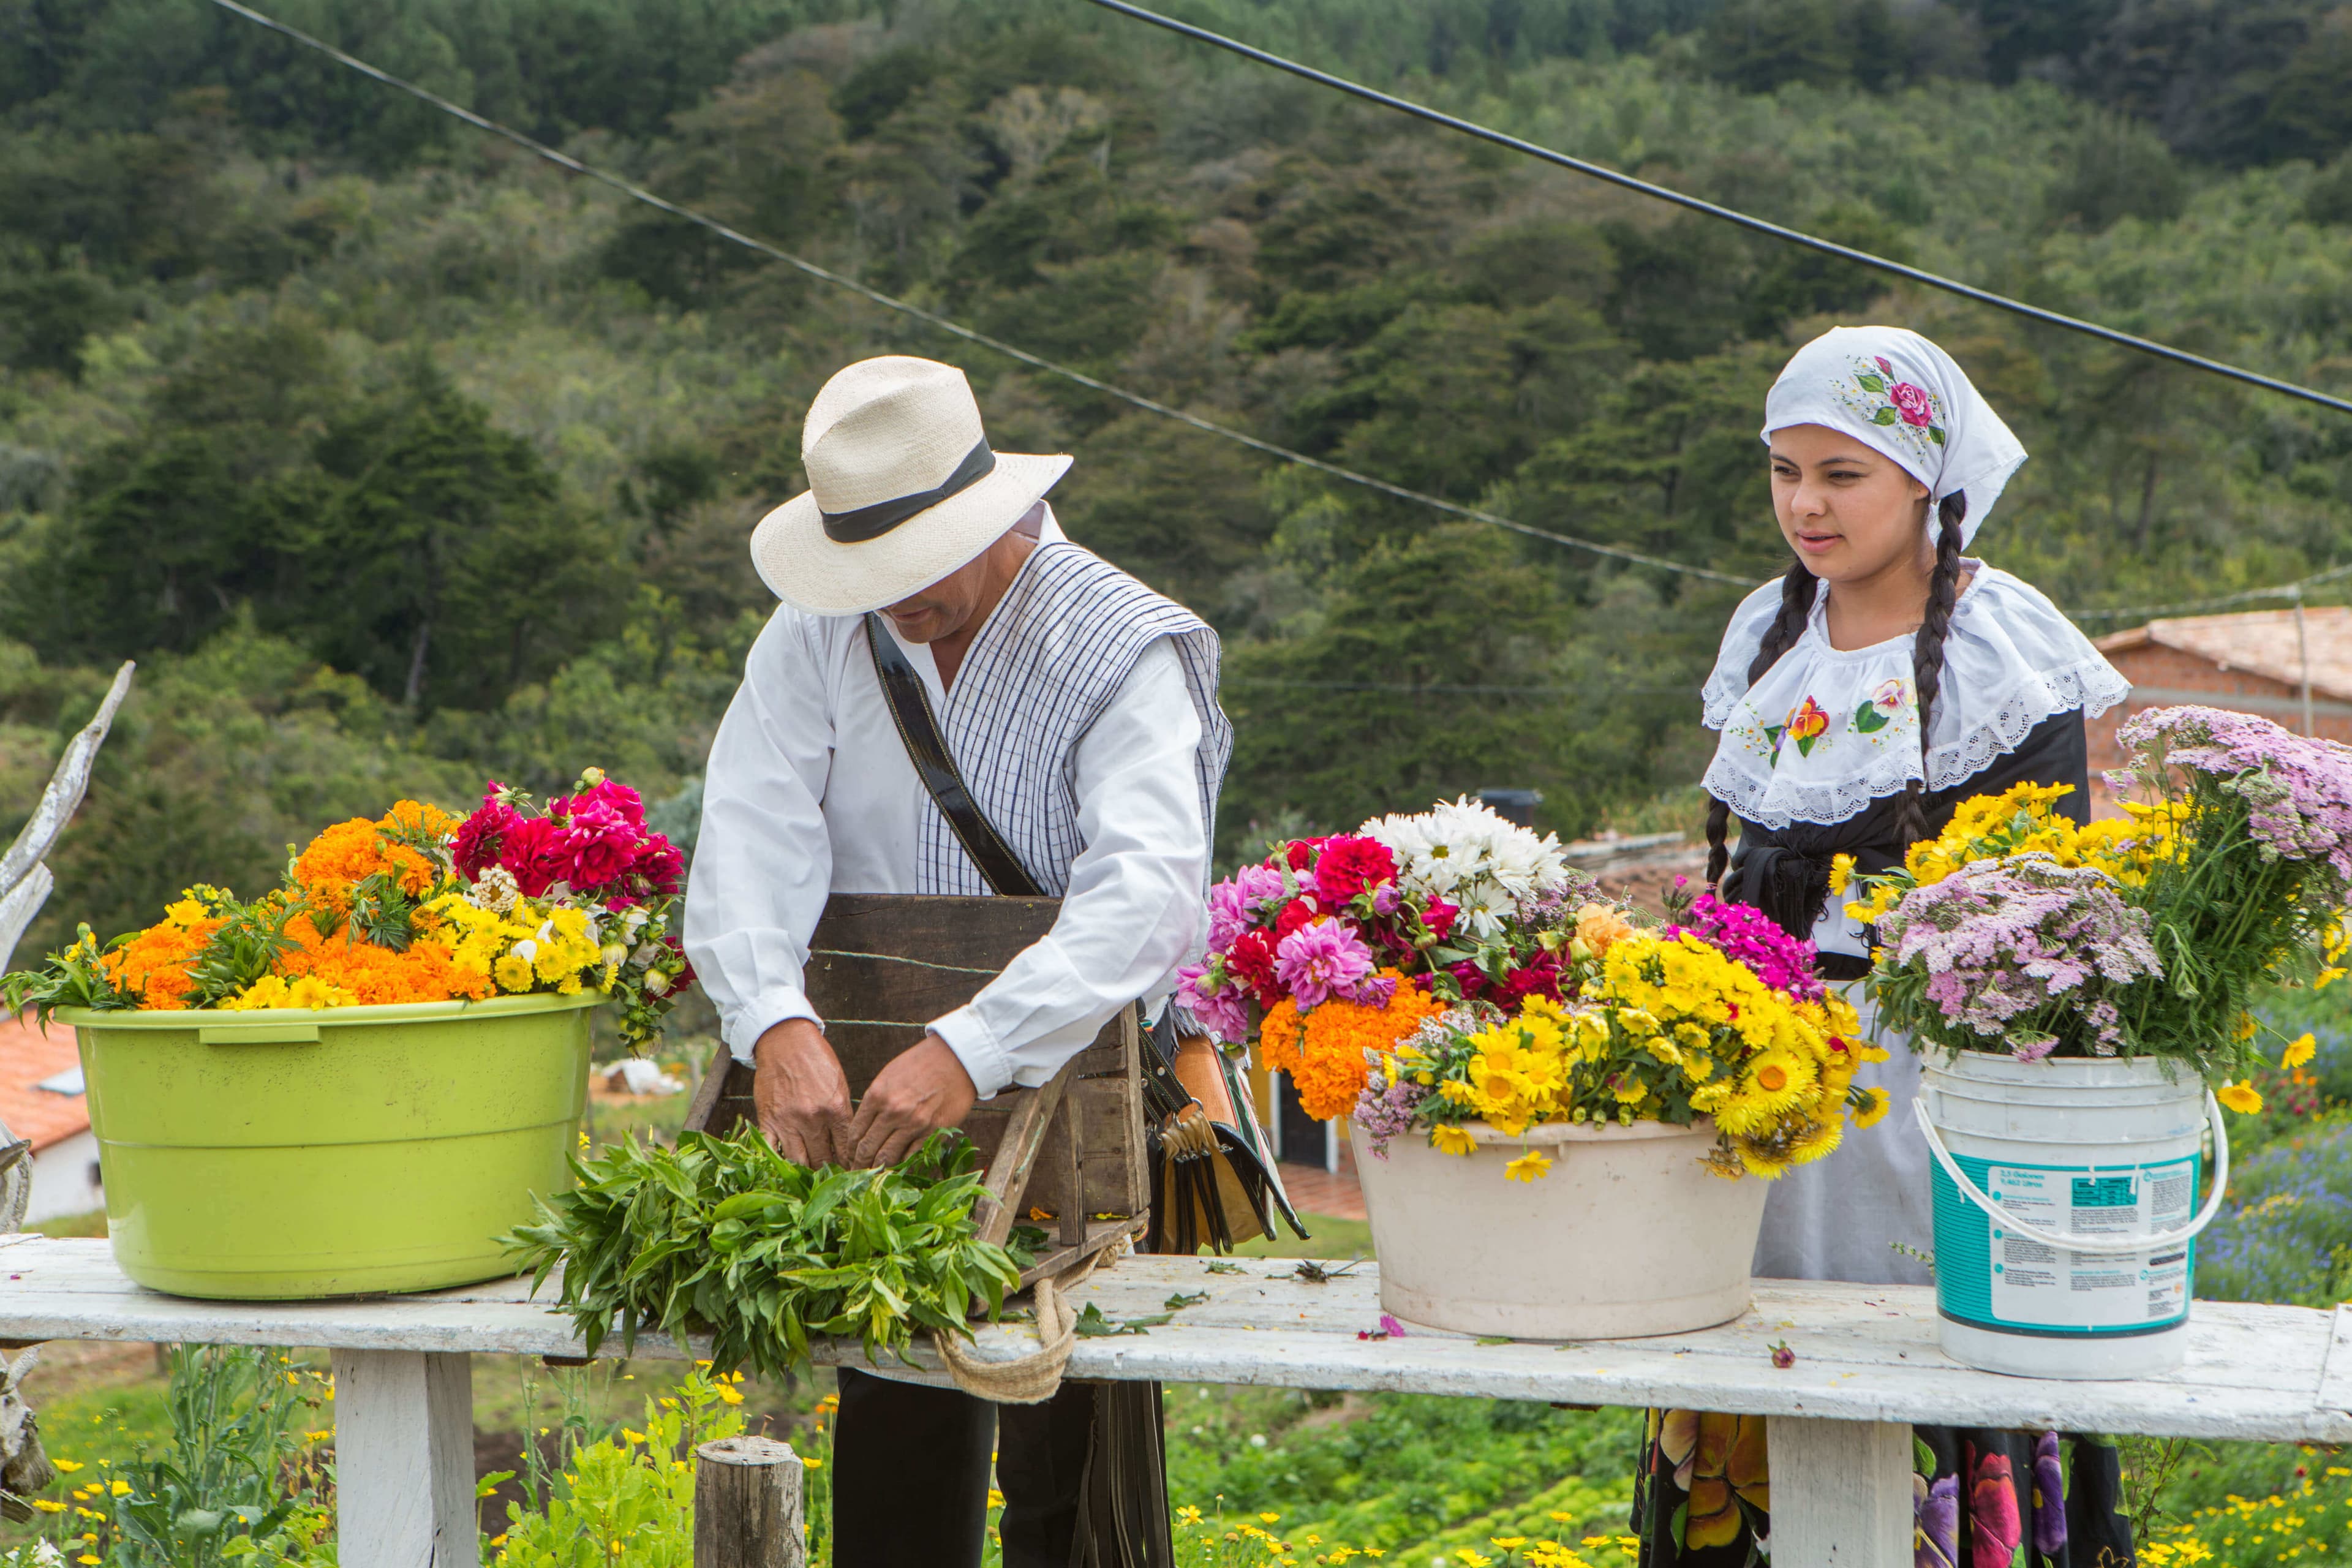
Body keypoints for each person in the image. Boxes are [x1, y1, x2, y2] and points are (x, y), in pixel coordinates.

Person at [684, 354, 1230, 1568]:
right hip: (876, 1078)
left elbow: (1147, 896)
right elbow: (748, 834)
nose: (893, 598)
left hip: (1071, 1080)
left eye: (916, 563)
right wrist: (773, 1020)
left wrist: (974, 1048)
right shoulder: (819, 633)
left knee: (1077, 1417)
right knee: (894, 1396)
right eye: (866, 572)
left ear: (992, 516)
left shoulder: (1118, 641)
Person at [1632, 326, 2137, 1567]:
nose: (1805, 504)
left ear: (1927, 477)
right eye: (1783, 470)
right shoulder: (1770, 629)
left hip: (1927, 1094)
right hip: (1763, 1087)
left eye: (1841, 474)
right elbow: (1746, 870)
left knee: (1919, 1342)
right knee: (1758, 1336)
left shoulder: (2001, 653)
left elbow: (2038, 917)